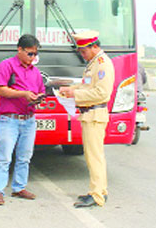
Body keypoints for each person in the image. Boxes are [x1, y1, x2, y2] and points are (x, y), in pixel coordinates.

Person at [59, 30, 115, 208]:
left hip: (95, 115)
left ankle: (97, 194)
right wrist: (71, 89)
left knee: (94, 157)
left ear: (95, 46)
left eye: (84, 51)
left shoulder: (102, 64)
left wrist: (74, 93)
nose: (82, 55)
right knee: (94, 156)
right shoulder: (94, 63)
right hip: (90, 115)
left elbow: (102, 93)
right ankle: (98, 190)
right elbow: (87, 85)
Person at [0, 34, 45, 205]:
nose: (33, 58)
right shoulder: (6, 65)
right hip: (10, 119)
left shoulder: (35, 72)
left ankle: (19, 187)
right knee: (4, 157)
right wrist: (23, 94)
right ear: (19, 50)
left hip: (29, 119)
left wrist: (39, 98)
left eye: (35, 55)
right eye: (30, 54)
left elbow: (40, 91)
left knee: (25, 156)